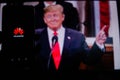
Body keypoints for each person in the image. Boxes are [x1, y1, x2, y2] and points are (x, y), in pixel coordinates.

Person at [34, 4, 107, 78]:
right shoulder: (35, 36)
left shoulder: (77, 37)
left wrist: (98, 43)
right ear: (44, 19)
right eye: (49, 16)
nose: (53, 19)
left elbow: (89, 59)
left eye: (55, 15)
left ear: (63, 17)